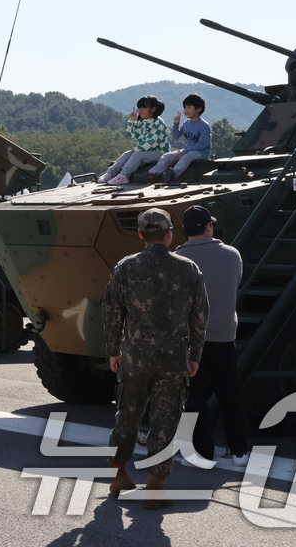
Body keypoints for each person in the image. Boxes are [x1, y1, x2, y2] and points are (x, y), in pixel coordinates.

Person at [102, 208, 208, 509]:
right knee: (165, 421)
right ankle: (155, 487)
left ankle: (119, 475)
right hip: (172, 358)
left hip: (134, 357)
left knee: (127, 415)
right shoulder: (188, 269)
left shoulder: (126, 267)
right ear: (170, 233)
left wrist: (113, 350)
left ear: (140, 235)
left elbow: (112, 312)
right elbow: (200, 316)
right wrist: (195, 354)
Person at [175, 205, 250, 467]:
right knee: (230, 395)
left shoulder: (178, 260)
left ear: (185, 230)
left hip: (191, 342)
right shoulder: (232, 255)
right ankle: (239, 451)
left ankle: (202, 454)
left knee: (194, 399)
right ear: (208, 226)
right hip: (224, 336)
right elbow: (234, 285)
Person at [98, 95, 169, 185]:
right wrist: (132, 122)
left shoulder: (158, 123)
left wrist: (136, 149)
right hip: (145, 151)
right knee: (127, 154)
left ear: (153, 109)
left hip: (159, 152)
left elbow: (152, 142)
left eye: (144, 107)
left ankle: (124, 176)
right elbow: (134, 135)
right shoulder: (143, 122)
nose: (140, 110)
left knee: (137, 155)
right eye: (139, 108)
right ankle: (110, 173)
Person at [148, 93, 212, 183]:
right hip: (188, 150)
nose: (186, 110)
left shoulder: (204, 126)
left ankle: (173, 174)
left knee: (186, 157)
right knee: (167, 156)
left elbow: (203, 144)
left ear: (199, 109)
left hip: (201, 152)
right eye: (185, 108)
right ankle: (153, 173)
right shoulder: (186, 124)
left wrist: (185, 152)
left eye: (189, 107)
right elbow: (176, 136)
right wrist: (176, 124)